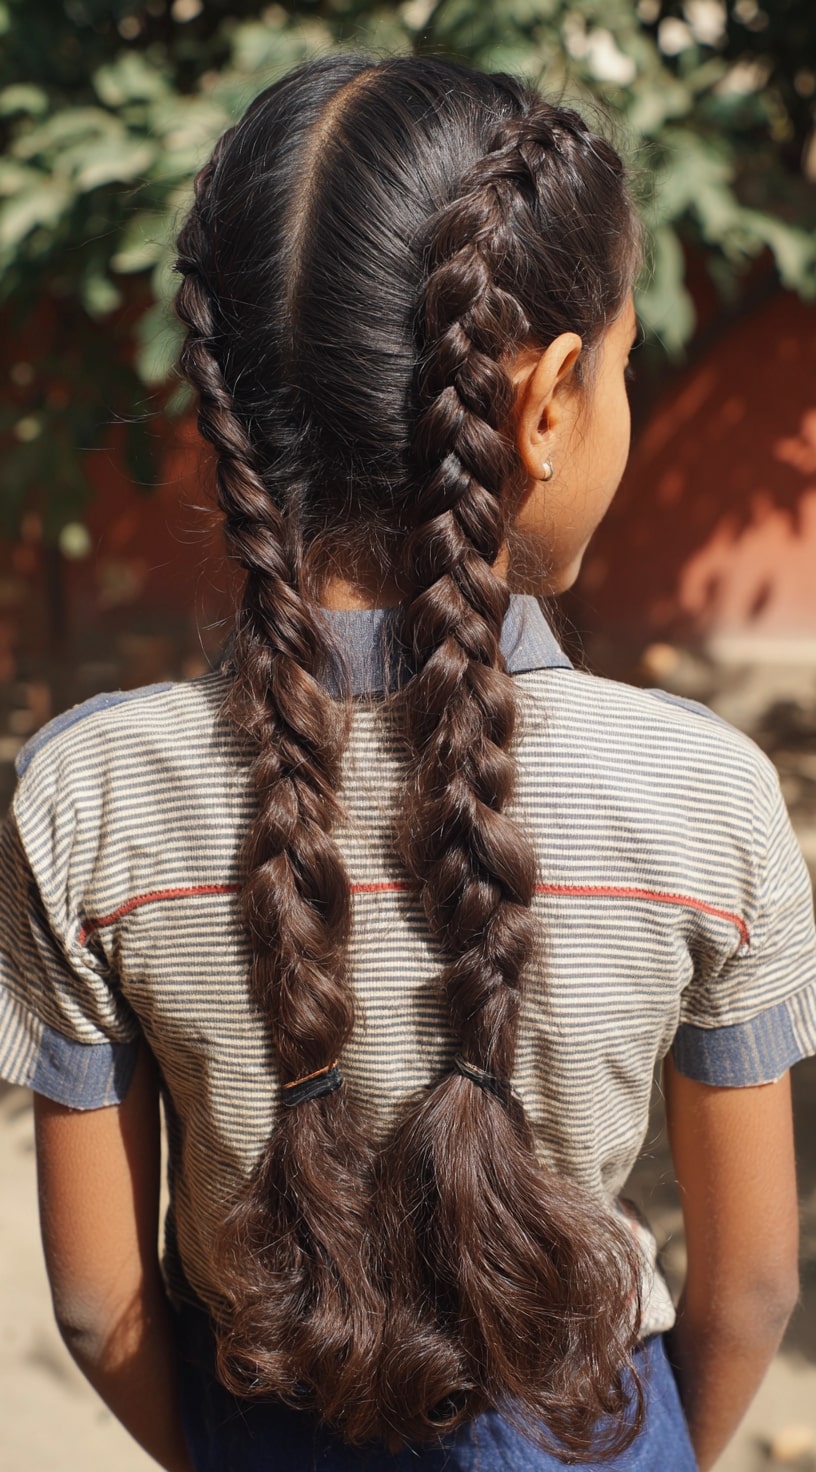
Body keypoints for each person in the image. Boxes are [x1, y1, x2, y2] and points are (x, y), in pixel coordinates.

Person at [1, 53, 814, 1472]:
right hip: (598, 1429)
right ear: (546, 404)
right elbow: (751, 1288)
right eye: (627, 366)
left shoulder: (87, 797)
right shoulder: (707, 795)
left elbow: (92, 1298)